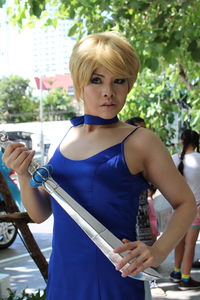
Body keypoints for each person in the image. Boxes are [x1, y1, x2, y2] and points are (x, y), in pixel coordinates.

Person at [2, 32, 197, 300]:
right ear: (79, 83)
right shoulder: (66, 135)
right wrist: (24, 174)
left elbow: (186, 203)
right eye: (96, 80)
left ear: (129, 84)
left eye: (119, 80)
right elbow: (40, 214)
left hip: (112, 281)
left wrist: (158, 251)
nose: (109, 91)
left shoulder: (140, 141)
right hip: (62, 279)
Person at [170, 129, 200, 290]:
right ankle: (186, 278)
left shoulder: (174, 159)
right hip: (196, 209)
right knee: (190, 245)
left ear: (182, 141)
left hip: (178, 209)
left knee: (178, 242)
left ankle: (176, 272)